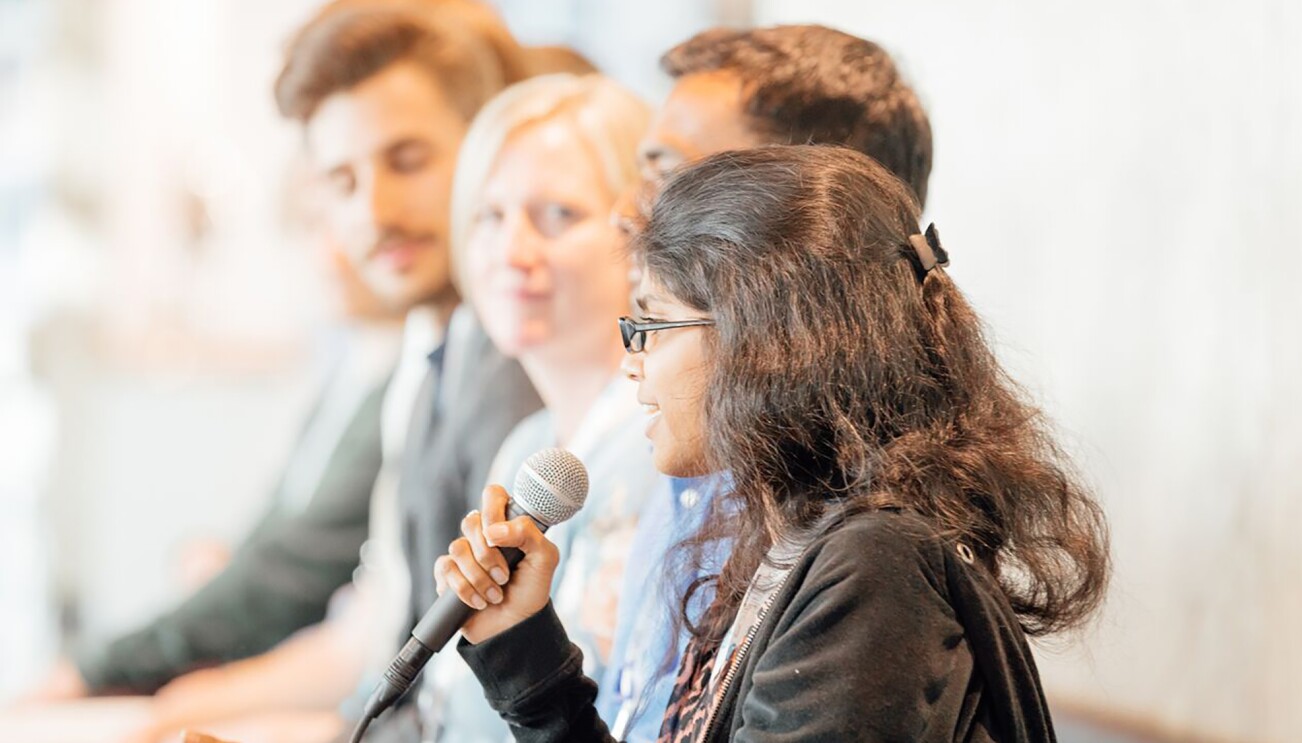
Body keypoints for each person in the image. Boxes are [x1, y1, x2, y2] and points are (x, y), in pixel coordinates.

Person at [436, 145, 1111, 741]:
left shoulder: (876, 568)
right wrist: (521, 644)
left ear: (767, 343)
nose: (632, 360)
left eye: (654, 323)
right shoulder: (794, 534)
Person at [90, 3, 548, 741]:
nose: (374, 211)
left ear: (488, 148)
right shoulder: (430, 352)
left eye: (408, 161)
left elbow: (465, 694)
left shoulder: (510, 366)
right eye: (340, 180)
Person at [599, 24, 936, 739]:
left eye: (674, 178)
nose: (627, 210)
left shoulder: (868, 563)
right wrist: (527, 665)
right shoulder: (760, 501)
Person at [424, 72, 658, 742]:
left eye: (558, 214)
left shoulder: (664, 449)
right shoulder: (531, 442)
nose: (512, 252)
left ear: (646, 235)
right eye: (490, 216)